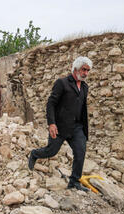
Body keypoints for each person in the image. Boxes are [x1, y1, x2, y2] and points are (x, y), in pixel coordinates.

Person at [28, 56, 92, 192]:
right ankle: (34, 154)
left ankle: (74, 182)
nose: (86, 73)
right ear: (76, 68)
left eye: (88, 70)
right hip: (60, 126)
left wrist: (84, 129)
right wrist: (51, 123)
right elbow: (51, 103)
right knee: (51, 151)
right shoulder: (62, 83)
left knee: (80, 152)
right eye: (84, 69)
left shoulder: (85, 87)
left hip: (77, 127)